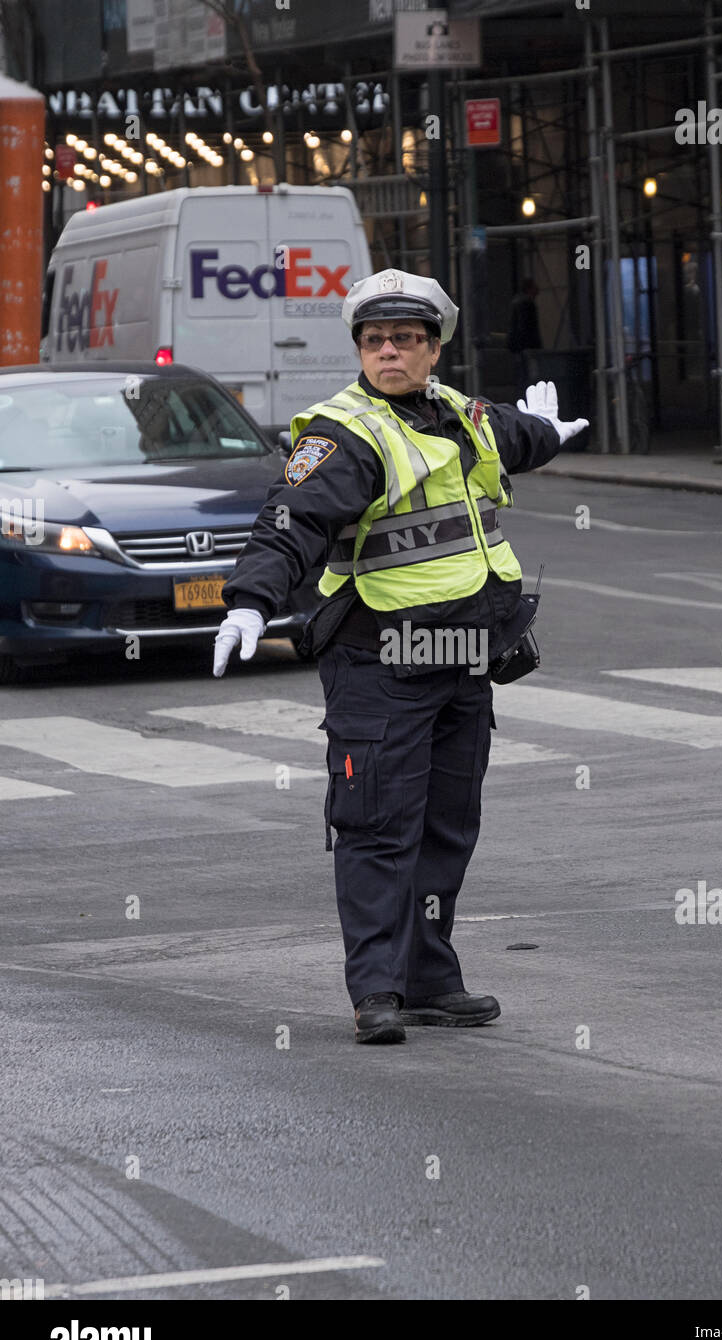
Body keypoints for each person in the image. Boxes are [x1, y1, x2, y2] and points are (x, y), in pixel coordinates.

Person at [212, 269, 588, 1045]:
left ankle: (428, 981)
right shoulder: (344, 433)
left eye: (406, 339)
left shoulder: (457, 412)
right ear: (358, 348)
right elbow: (291, 519)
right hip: (379, 663)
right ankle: (376, 992)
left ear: (434, 349)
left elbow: (510, 438)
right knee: (379, 828)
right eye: (375, 340)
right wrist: (251, 598)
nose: (389, 351)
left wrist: (547, 435)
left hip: (462, 658)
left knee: (447, 828)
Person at [507, 277, 542, 397]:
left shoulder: (517, 302)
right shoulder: (526, 304)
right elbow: (527, 328)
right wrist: (535, 347)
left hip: (518, 348)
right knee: (528, 378)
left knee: (521, 378)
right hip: (526, 348)